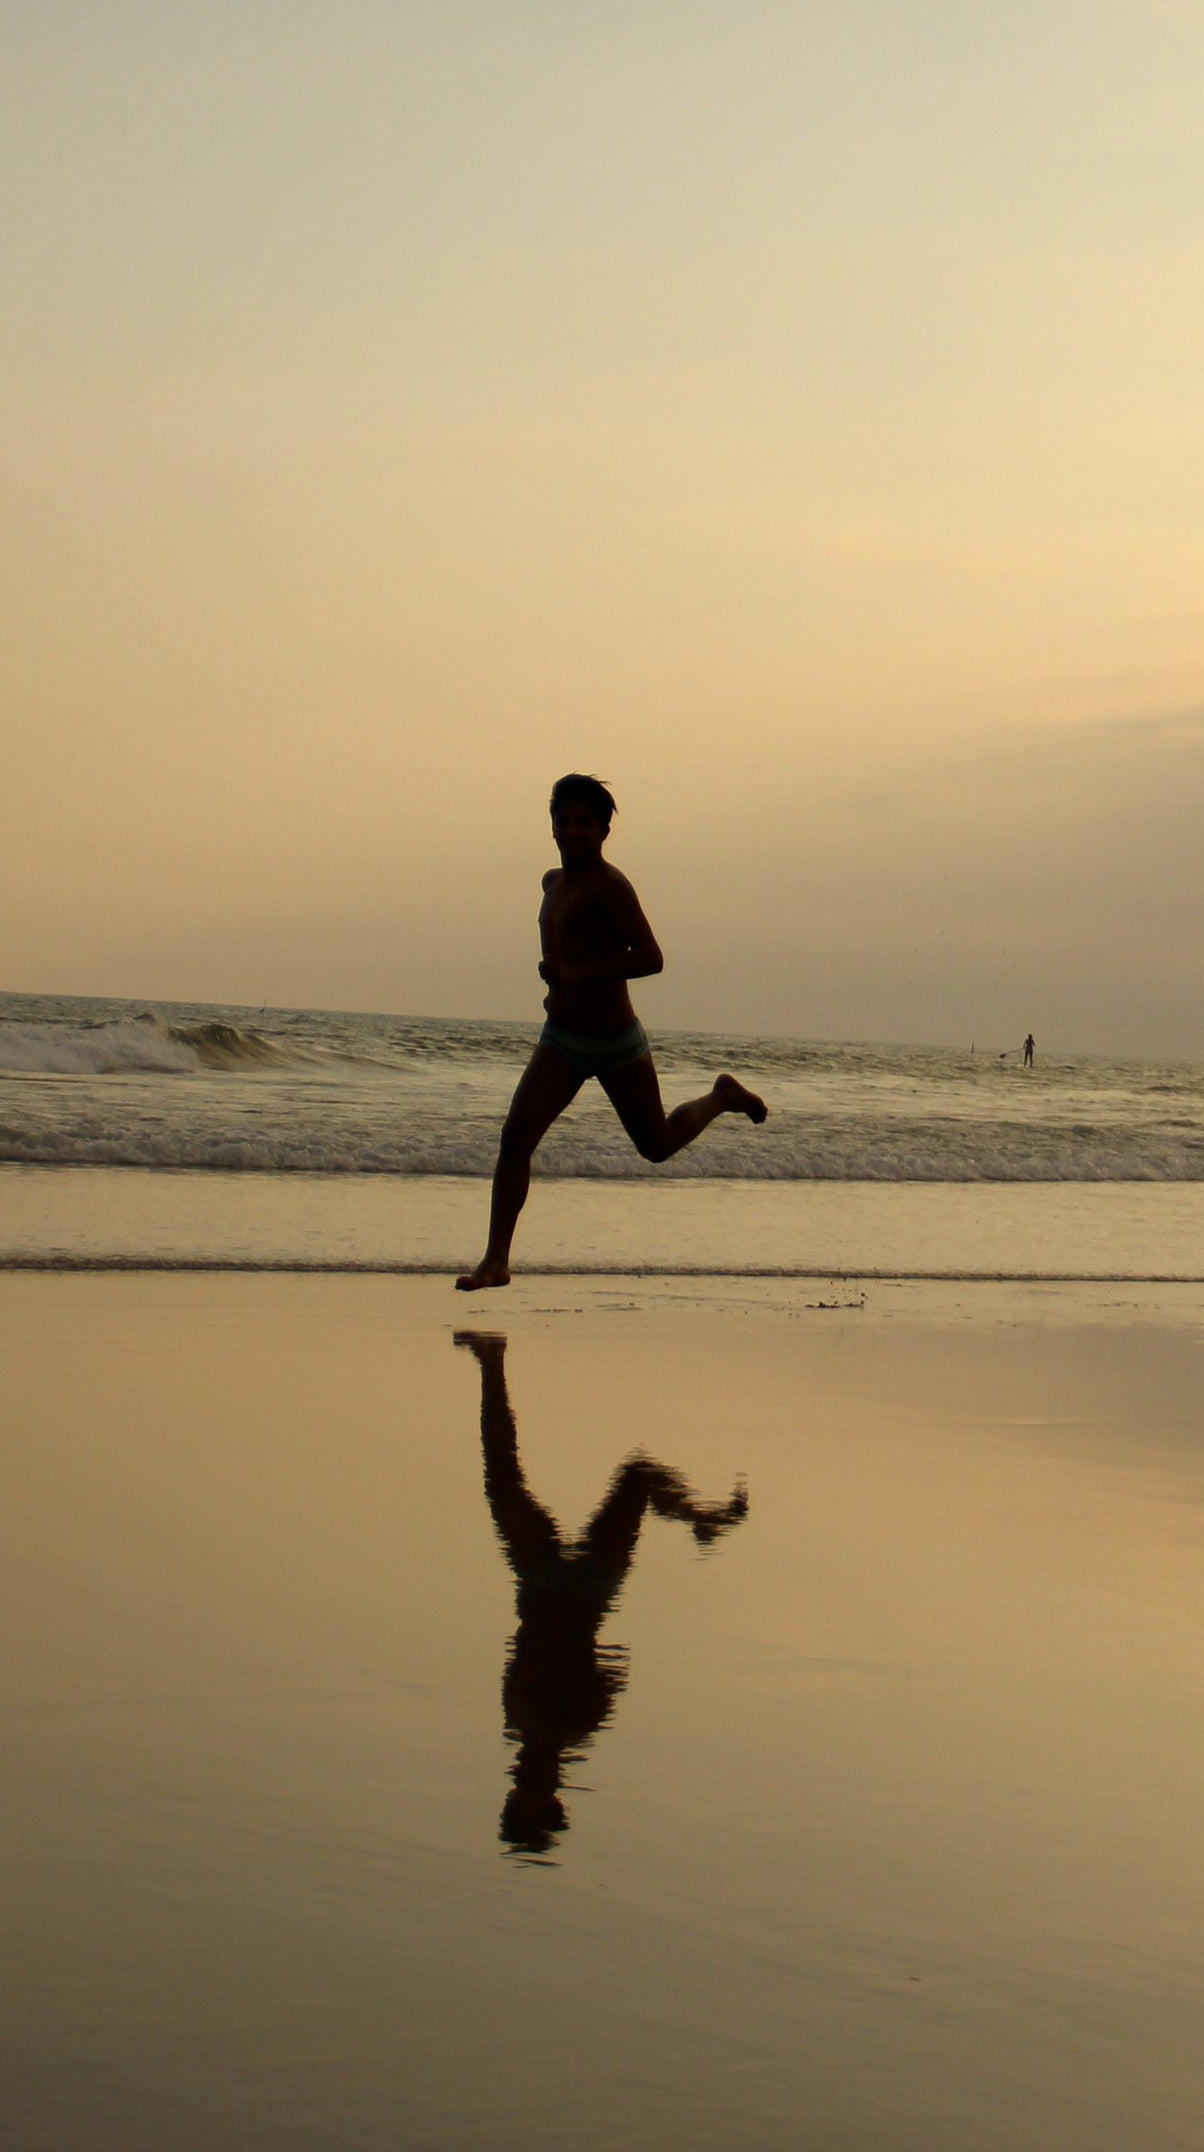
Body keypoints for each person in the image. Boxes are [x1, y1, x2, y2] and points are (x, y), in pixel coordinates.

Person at [456, 774, 764, 1292]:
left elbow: (651, 958)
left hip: (615, 1042)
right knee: (515, 1139)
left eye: (585, 823)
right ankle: (496, 1261)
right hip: (562, 1041)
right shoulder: (552, 885)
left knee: (657, 1145)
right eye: (564, 821)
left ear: (603, 831)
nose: (573, 831)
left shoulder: (612, 887)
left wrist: (578, 973)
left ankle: (721, 1096)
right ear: (552, 826)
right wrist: (559, 987)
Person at [452, 1329, 746, 1853]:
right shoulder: (544, 1726)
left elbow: (607, 1669)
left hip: (567, 1589)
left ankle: (491, 1364)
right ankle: (698, 1518)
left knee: (521, 1476)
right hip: (563, 1592)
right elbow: (591, 1668)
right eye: (525, 1803)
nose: (518, 1791)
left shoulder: (547, 1728)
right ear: (548, 1799)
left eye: (514, 1802)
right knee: (602, 1476)